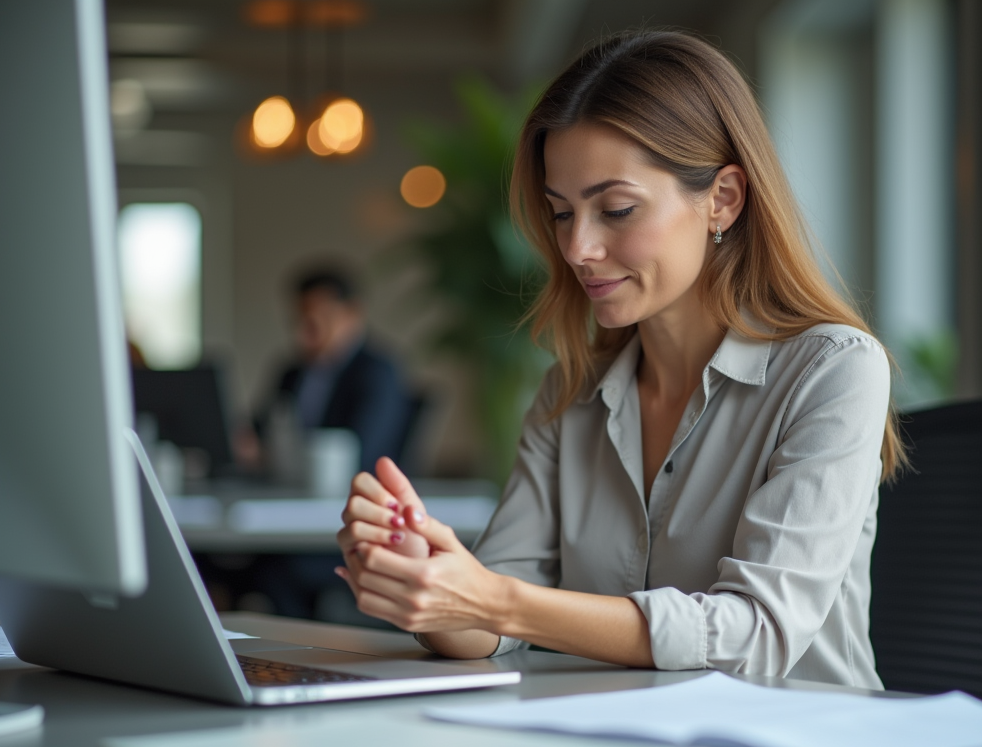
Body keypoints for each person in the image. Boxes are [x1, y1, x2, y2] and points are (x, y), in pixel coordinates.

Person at [332, 30, 905, 687]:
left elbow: (757, 636)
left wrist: (495, 600)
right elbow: (484, 628)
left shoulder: (833, 369)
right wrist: (423, 577)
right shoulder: (567, 393)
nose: (577, 247)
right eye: (560, 212)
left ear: (722, 199)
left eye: (617, 209)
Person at [259, 265, 412, 474]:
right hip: (290, 488)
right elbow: (261, 428)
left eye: (319, 321)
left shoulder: (377, 373)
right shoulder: (292, 372)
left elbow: (363, 452)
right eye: (300, 322)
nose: (305, 334)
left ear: (352, 314)